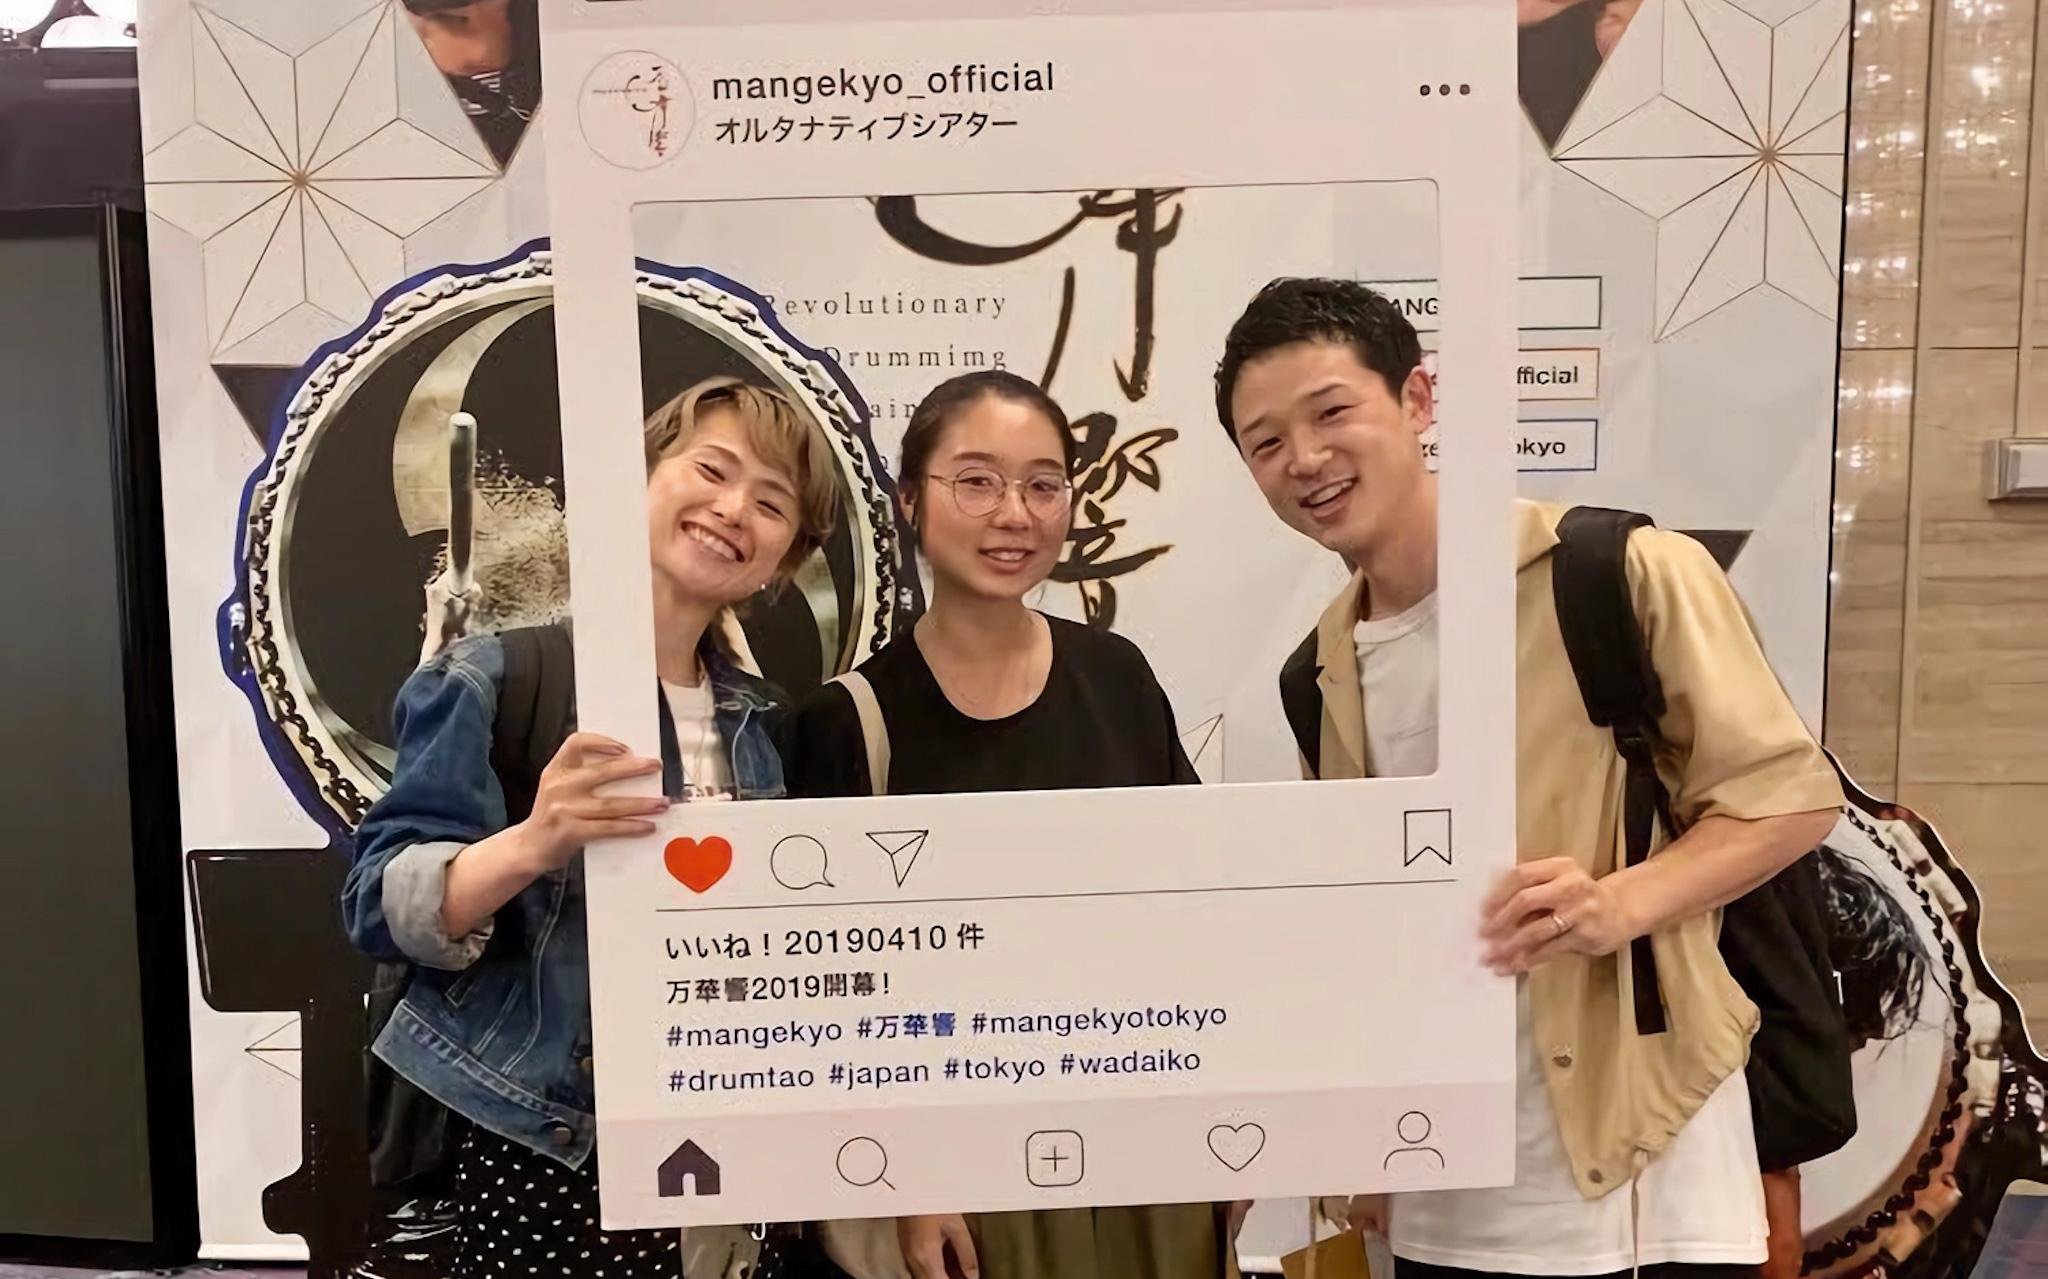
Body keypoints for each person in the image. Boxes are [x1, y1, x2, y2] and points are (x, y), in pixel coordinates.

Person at [1215, 278, 1843, 1279]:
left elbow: (1788, 797)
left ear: (1416, 398)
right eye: (1265, 442)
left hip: (1644, 1164)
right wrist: (1365, 1130)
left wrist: (1618, 903)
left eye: (1330, 411)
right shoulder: (1317, 672)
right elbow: (1371, 925)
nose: (1305, 458)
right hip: (1444, 1187)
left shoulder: (1618, 570)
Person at [341, 377, 845, 1279]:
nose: (734, 510)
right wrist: (533, 840)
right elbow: (380, 905)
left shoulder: (766, 720)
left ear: (782, 560)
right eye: (712, 471)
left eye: (772, 505)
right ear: (636, 478)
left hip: (730, 1129)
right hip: (547, 1148)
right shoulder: (491, 677)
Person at [783, 369, 1235, 1279]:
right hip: (964, 1165)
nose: (1015, 514)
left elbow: (1194, 913)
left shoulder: (1117, 676)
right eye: (977, 481)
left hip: (1145, 1131)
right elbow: (833, 990)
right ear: (910, 501)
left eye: (1042, 483)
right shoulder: (847, 720)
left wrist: (1231, 1126)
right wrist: (908, 1177)